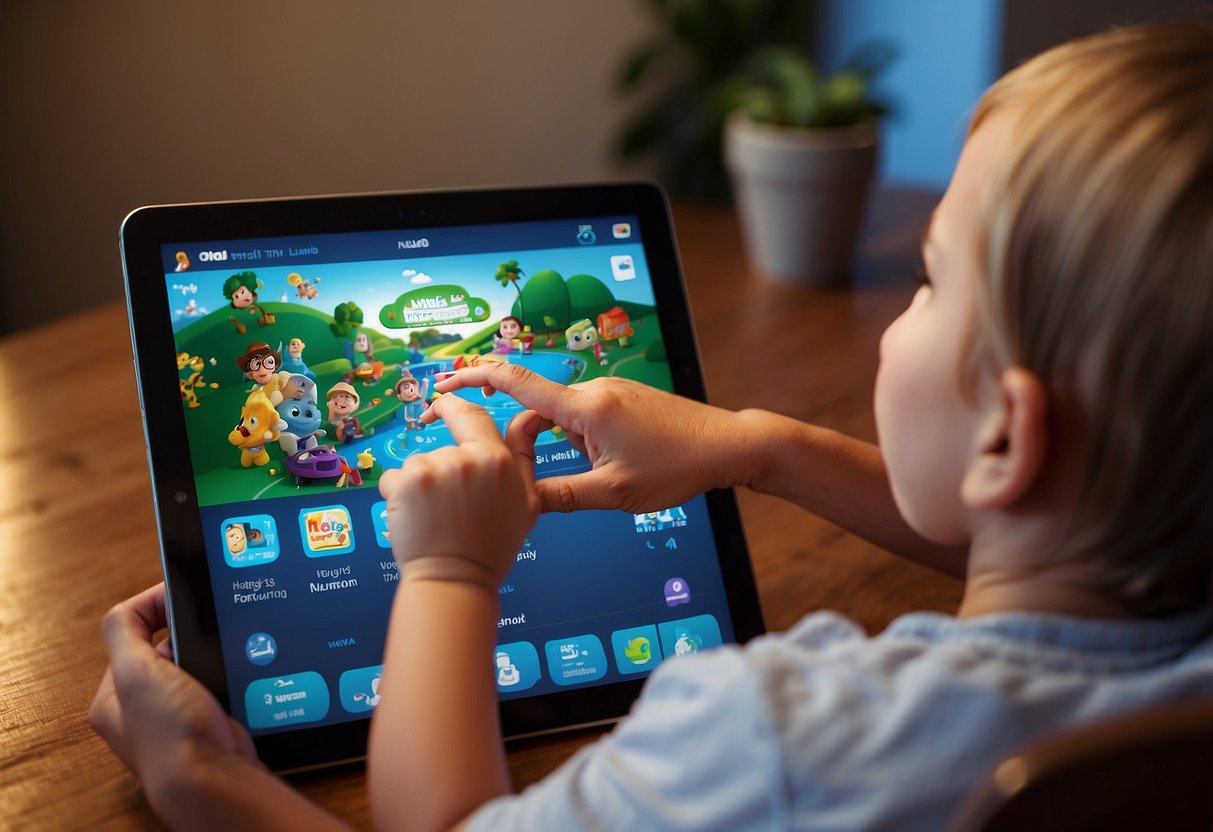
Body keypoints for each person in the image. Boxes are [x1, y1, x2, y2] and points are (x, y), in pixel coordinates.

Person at [90, 24, 1213, 832]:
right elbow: (1061, 539)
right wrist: (762, 445)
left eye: (926, 278)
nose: (902, 307)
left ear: (1006, 442)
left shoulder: (783, 735)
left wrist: (441, 574)